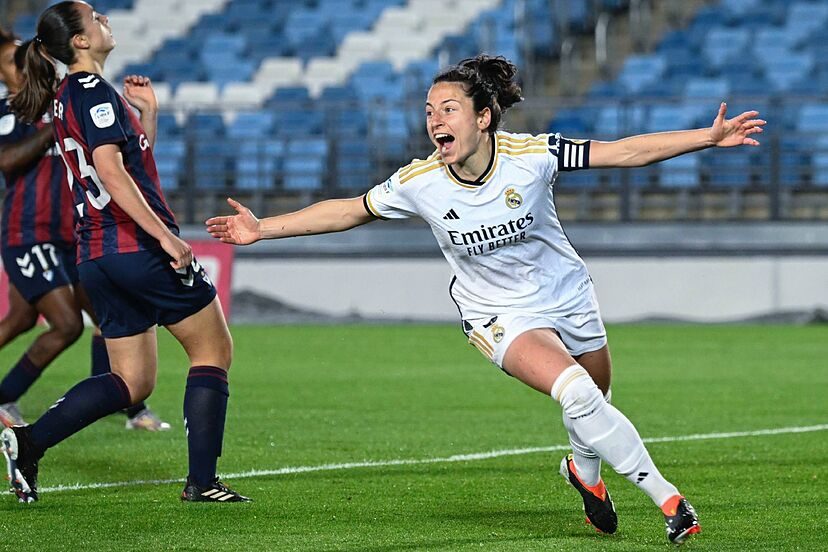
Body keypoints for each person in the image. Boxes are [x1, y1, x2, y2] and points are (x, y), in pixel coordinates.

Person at [208, 55, 765, 543]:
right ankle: (670, 502)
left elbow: (622, 152)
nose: (434, 120)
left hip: (568, 293)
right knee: (575, 394)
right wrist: (264, 229)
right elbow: (350, 209)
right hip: (498, 314)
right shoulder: (419, 180)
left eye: (448, 108)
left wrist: (705, 138)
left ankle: (585, 474)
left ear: (483, 117)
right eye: (429, 110)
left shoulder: (533, 154)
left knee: (595, 398)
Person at [1, 1, 247, 503]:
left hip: (97, 255)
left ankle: (29, 442)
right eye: (93, 16)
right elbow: (111, 174)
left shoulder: (68, 96)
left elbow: (125, 167)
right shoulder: (93, 93)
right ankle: (202, 482)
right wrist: (165, 236)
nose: (104, 18)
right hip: (135, 246)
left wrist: (147, 118)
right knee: (212, 350)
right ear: (80, 41)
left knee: (131, 381)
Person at [0, 28, 169, 432]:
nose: (19, 65)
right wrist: (52, 125)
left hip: (74, 232)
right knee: (67, 324)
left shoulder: (72, 99)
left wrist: (146, 115)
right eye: (10, 61)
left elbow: (131, 157)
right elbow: (7, 162)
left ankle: (122, 401)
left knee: (93, 314)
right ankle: (6, 396)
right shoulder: (14, 111)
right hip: (30, 231)